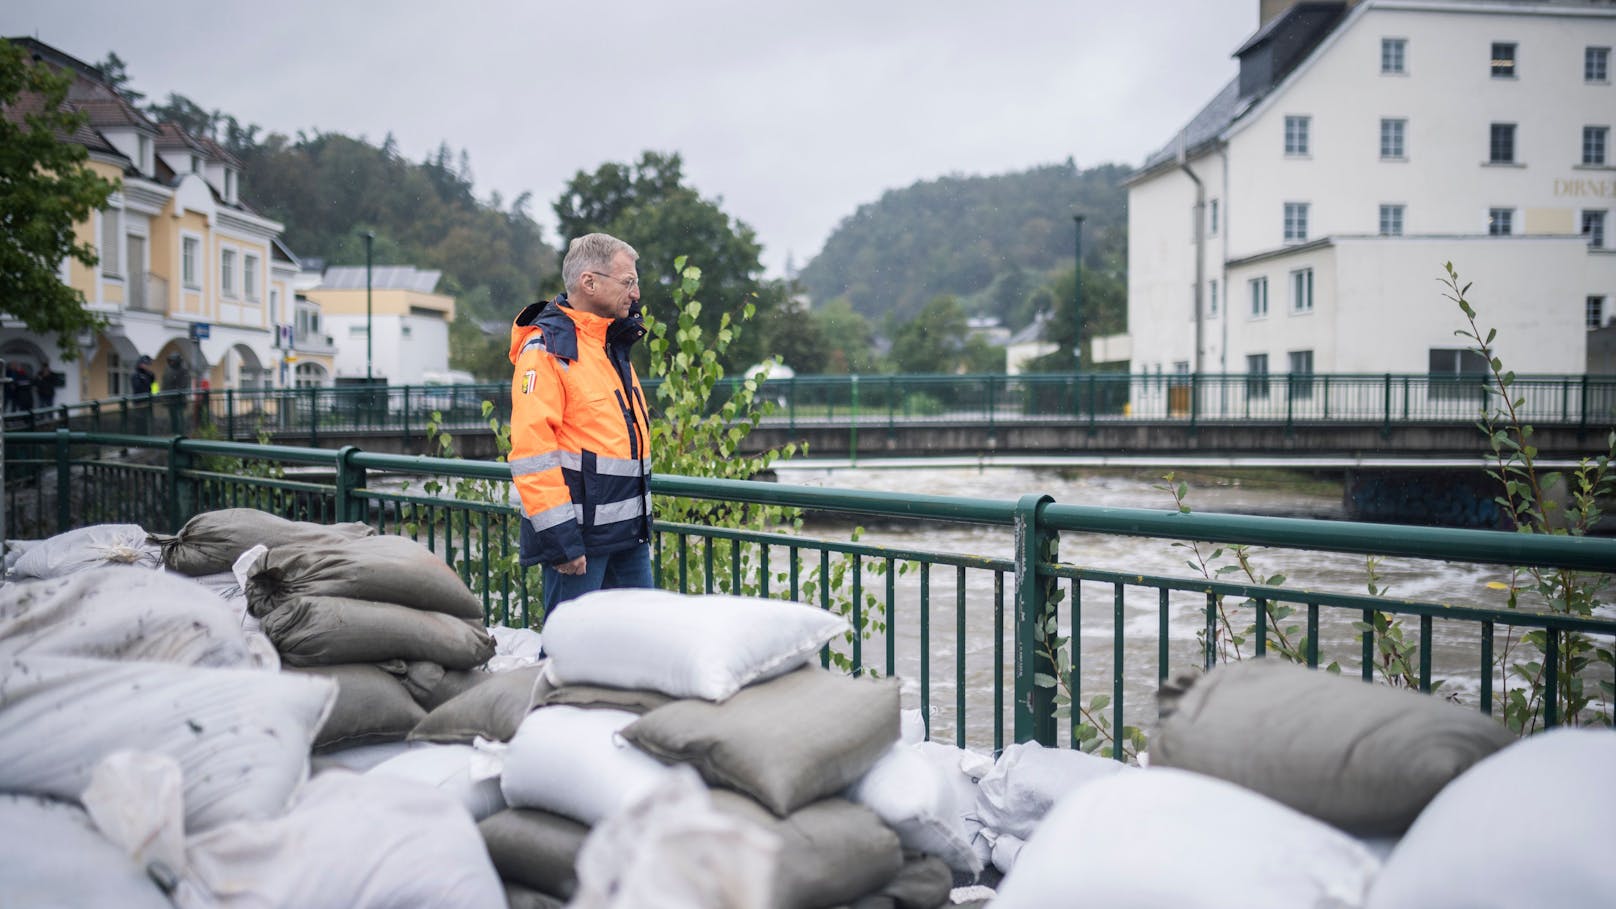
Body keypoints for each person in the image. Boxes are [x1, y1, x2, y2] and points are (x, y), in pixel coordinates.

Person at [509, 232, 654, 613]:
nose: (636, 293)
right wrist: (561, 542)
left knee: (643, 644)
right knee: (568, 654)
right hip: (579, 544)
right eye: (629, 282)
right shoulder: (548, 349)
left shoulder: (610, 346)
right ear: (589, 282)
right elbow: (532, 452)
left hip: (628, 538)